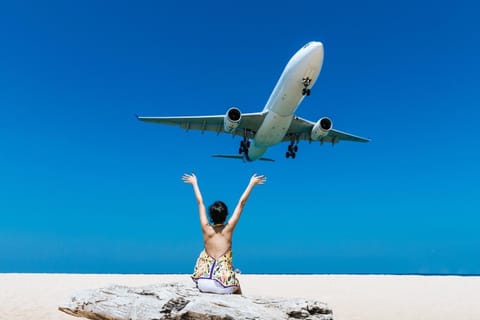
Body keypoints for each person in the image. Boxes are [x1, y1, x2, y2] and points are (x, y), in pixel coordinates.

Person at [182, 172, 266, 294]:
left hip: (203, 281)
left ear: (210, 216)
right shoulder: (228, 229)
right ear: (226, 215)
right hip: (222, 283)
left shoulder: (206, 228)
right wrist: (251, 184)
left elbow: (200, 203)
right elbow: (241, 204)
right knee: (237, 286)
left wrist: (194, 183)